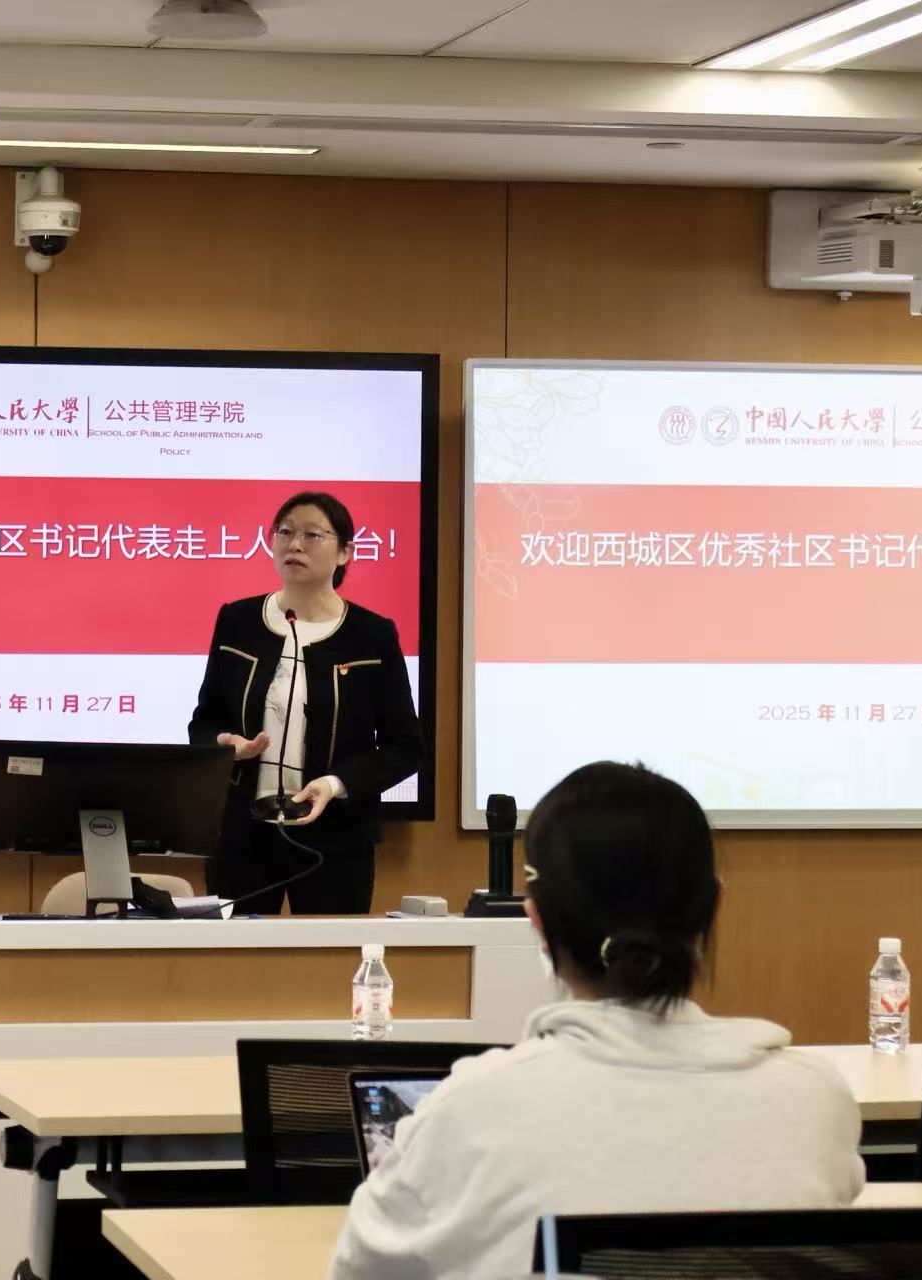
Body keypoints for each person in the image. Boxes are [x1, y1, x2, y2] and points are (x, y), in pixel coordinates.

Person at [327, 762, 865, 1279]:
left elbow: (358, 1271)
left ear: (537, 920)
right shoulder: (816, 1099)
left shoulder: (468, 1109)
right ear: (714, 905)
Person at [187, 491, 421, 914]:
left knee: (330, 954)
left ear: (345, 552)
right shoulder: (237, 621)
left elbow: (405, 747)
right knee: (233, 954)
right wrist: (226, 745)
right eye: (285, 532)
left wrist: (335, 784)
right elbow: (204, 722)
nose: (295, 544)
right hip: (242, 837)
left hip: (336, 842)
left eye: (313, 534)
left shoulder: (372, 635)